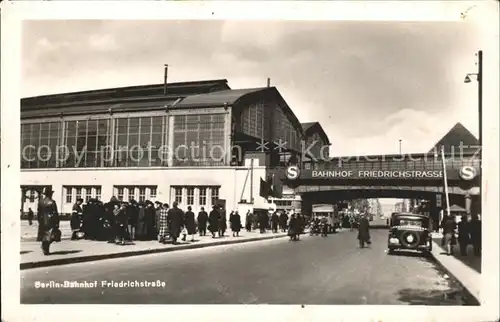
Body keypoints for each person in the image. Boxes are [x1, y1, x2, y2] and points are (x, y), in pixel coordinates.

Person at [38, 187, 60, 255]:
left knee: (45, 235)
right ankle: (45, 248)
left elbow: (39, 212)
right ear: (50, 194)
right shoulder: (52, 202)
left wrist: (39, 220)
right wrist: (57, 222)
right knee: (51, 235)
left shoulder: (40, 201)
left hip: (42, 220)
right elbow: (55, 213)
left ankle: (45, 248)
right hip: (51, 220)